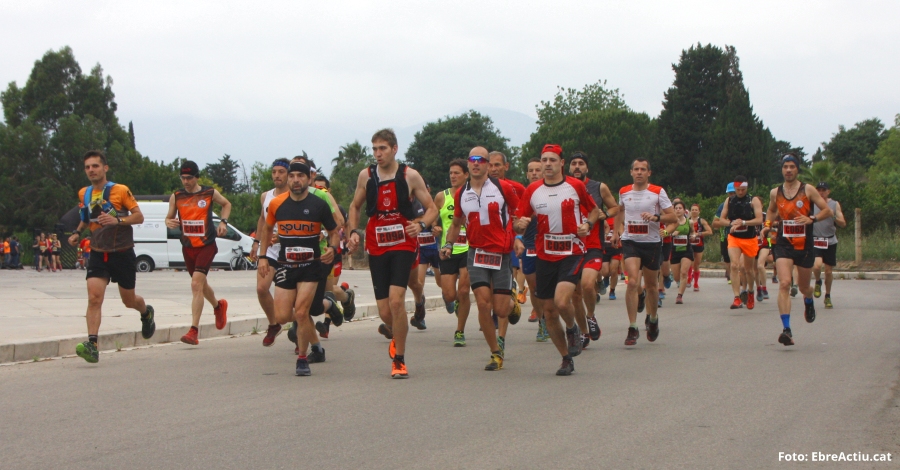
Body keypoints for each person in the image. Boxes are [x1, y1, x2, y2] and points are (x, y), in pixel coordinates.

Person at [346, 129, 438, 379]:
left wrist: (421, 224)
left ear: (394, 149)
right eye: (374, 149)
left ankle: (399, 359)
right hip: (377, 244)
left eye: (383, 148)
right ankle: (397, 333)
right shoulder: (366, 176)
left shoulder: (410, 175)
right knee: (385, 312)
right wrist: (353, 231)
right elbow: (355, 206)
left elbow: (432, 209)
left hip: (403, 242)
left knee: (397, 301)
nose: (378, 154)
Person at [515, 144, 600, 376]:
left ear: (562, 163)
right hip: (544, 254)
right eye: (544, 160)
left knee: (562, 302)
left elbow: (594, 211)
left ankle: (572, 328)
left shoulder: (575, 186)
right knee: (550, 312)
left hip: (572, 251)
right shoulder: (532, 190)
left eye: (552, 160)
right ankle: (565, 358)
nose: (548, 164)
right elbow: (518, 222)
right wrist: (519, 226)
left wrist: (588, 224)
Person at [68, 149, 156, 363]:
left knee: (129, 300)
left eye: (95, 166)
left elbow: (139, 217)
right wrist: (78, 232)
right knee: (94, 298)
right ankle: (92, 345)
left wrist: (117, 221)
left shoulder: (120, 190)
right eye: (87, 167)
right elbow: (86, 216)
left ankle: (146, 313)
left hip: (122, 253)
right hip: (98, 253)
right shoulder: (84, 193)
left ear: (105, 168)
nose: (91, 170)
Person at [258, 161, 340, 376]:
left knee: (302, 312)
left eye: (300, 176)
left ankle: (302, 358)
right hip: (286, 265)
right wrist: (262, 256)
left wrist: (332, 248)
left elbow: (334, 231)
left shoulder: (318, 204)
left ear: (308, 179)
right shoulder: (277, 204)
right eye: (292, 176)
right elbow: (266, 230)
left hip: (310, 266)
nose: (296, 180)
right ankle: (329, 304)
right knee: (283, 316)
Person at [443, 147, 520, 371]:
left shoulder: (503, 188)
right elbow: (456, 223)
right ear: (468, 164)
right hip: (476, 253)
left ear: (487, 164)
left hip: (501, 253)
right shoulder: (461, 193)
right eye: (472, 159)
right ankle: (495, 353)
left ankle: (512, 303)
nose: (476, 163)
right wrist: (448, 244)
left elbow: (520, 212)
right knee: (483, 304)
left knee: (501, 310)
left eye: (481, 160)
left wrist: (518, 234)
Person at [764, 154, 832, 346]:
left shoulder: (807, 190)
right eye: (785, 166)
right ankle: (786, 329)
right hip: (783, 243)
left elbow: (827, 211)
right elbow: (771, 210)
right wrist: (767, 226)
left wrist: (812, 219)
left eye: (792, 166)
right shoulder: (775, 192)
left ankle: (808, 299)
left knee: (803, 287)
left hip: (804, 245)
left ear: (797, 169)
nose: (788, 170)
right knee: (785, 283)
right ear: (782, 169)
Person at [165, 160, 232, 345]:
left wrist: (223, 222)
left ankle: (193, 331)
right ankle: (218, 306)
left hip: (206, 245)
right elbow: (169, 218)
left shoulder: (208, 193)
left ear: (197, 177)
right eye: (183, 178)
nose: (186, 182)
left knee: (195, 284)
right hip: (188, 247)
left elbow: (226, 204)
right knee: (200, 285)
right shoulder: (177, 196)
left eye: (189, 178)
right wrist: (168, 222)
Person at [610, 158, 675, 346]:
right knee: (632, 282)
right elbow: (620, 211)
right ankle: (632, 327)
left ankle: (653, 318)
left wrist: (656, 217)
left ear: (649, 173)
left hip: (652, 243)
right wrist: (616, 232)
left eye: (643, 169)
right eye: (636, 169)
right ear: (631, 172)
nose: (639, 172)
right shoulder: (624, 191)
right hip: (630, 241)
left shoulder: (657, 191)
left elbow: (673, 217)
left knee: (651, 286)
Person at [567, 151, 618, 346]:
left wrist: (605, 214)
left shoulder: (598, 187)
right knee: (575, 294)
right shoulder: (563, 187)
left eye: (581, 163)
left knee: (588, 285)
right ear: (568, 167)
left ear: (587, 168)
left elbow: (615, 207)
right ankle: (583, 332)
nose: (577, 167)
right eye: (574, 163)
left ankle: (590, 316)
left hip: (593, 245)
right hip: (570, 247)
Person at [434, 159, 472, 346]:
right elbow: (432, 216)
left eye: (457, 173)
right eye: (451, 173)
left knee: (464, 291)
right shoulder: (441, 196)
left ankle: (459, 331)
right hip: (448, 249)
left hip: (468, 248)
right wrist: (434, 228)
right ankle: (457, 302)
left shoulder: (473, 195)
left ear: (466, 175)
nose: (453, 176)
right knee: (449, 295)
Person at [715, 175, 764, 310]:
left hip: (749, 238)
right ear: (735, 188)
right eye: (738, 190)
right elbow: (721, 220)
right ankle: (737, 297)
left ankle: (750, 292)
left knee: (748, 270)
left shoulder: (753, 200)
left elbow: (759, 219)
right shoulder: (729, 201)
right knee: (734, 265)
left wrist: (743, 222)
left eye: (743, 190)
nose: (740, 192)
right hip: (734, 237)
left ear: (747, 188)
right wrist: (731, 223)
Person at [514, 158, 548, 341]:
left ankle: (553, 317)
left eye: (538, 170)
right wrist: (518, 236)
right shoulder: (524, 195)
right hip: (530, 246)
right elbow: (515, 223)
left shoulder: (552, 192)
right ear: (527, 174)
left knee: (551, 286)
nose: (534, 173)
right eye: (531, 170)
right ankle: (542, 321)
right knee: (534, 287)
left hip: (550, 246)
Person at [811, 182, 846, 309]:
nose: (821, 193)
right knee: (816, 266)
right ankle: (818, 281)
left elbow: (843, 223)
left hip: (830, 241)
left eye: (823, 190)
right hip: (816, 240)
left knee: (828, 271)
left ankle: (828, 295)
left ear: (828, 192)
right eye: (818, 190)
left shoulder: (834, 204)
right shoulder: (812, 203)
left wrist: (833, 216)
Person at [665, 201, 694, 304]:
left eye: (680, 208)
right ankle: (676, 281)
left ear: (684, 210)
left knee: (684, 273)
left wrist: (693, 235)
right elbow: (665, 233)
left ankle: (679, 296)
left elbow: (693, 232)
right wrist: (672, 233)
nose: (678, 210)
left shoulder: (689, 222)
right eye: (676, 208)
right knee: (677, 277)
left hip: (686, 250)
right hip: (675, 251)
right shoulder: (670, 222)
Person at [714, 183, 736, 284]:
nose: (732, 195)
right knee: (727, 258)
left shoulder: (746, 203)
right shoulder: (723, 206)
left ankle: (736, 275)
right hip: (725, 236)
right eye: (730, 193)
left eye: (734, 193)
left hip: (742, 236)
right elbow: (715, 223)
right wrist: (728, 222)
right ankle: (730, 275)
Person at [687, 204, 712, 291]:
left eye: (696, 210)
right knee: (689, 262)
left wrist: (698, 234)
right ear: (690, 211)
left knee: (696, 264)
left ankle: (696, 283)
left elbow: (710, 231)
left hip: (699, 244)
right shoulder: (686, 220)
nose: (694, 211)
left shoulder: (701, 221)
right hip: (689, 244)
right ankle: (689, 277)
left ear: (699, 211)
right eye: (692, 210)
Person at [600, 217, 622, 300]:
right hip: (605, 247)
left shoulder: (617, 218)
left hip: (616, 247)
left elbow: (622, 231)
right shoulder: (601, 217)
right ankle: (606, 277)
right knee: (605, 272)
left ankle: (612, 291)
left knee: (613, 270)